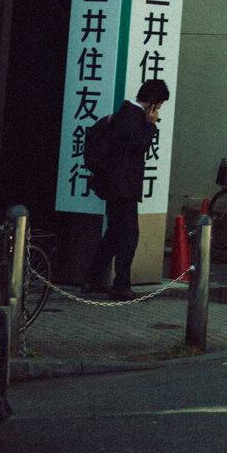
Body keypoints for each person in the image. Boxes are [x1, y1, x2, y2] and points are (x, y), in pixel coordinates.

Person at [85, 78, 169, 300]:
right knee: (129, 236)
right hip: (122, 186)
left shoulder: (125, 113)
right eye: (159, 104)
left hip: (117, 185)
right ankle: (121, 285)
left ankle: (92, 279)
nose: (159, 109)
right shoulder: (131, 116)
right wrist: (151, 124)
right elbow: (140, 145)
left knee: (114, 234)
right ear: (152, 102)